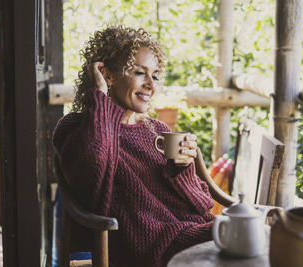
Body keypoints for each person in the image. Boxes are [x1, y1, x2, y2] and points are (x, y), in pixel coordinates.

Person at [53, 25, 214, 267]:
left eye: (155, 75)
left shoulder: (158, 130)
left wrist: (182, 171)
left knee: (262, 234)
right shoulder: (77, 129)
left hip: (192, 231)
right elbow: (90, 179)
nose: (151, 84)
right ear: (108, 75)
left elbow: (203, 204)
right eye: (140, 72)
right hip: (149, 249)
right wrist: (100, 95)